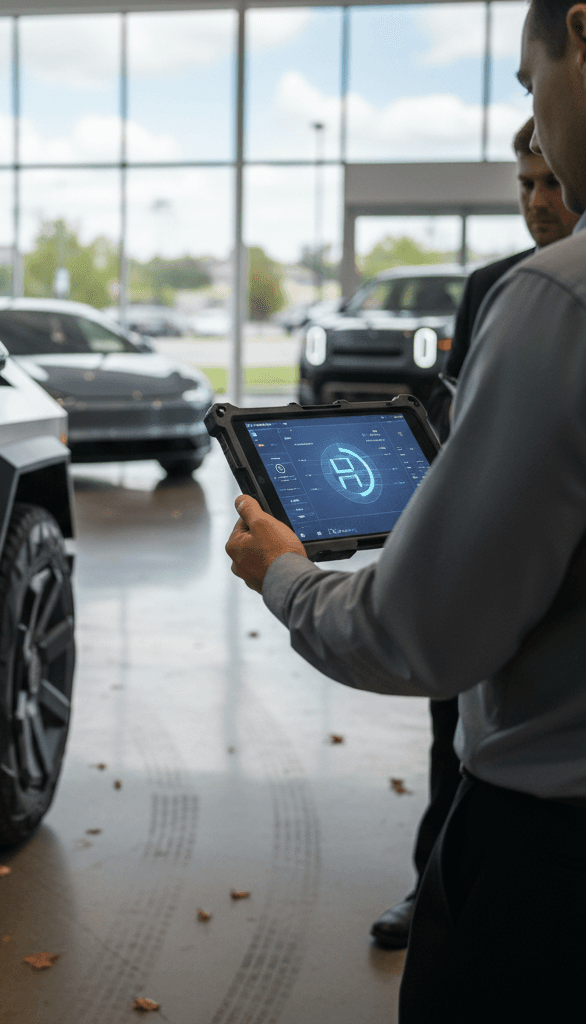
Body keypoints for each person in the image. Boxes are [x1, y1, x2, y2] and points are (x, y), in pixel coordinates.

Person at [224, 3, 586, 1020]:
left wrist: (286, 576)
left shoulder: (558, 300)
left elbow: (418, 635)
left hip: (550, 867)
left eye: (529, 85)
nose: (539, 141)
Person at [369, 115, 580, 950]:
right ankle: (434, 883)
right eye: (525, 187)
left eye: (552, 183)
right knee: (449, 725)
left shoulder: (551, 294)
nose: (539, 203)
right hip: (482, 534)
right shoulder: (493, 282)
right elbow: (464, 421)